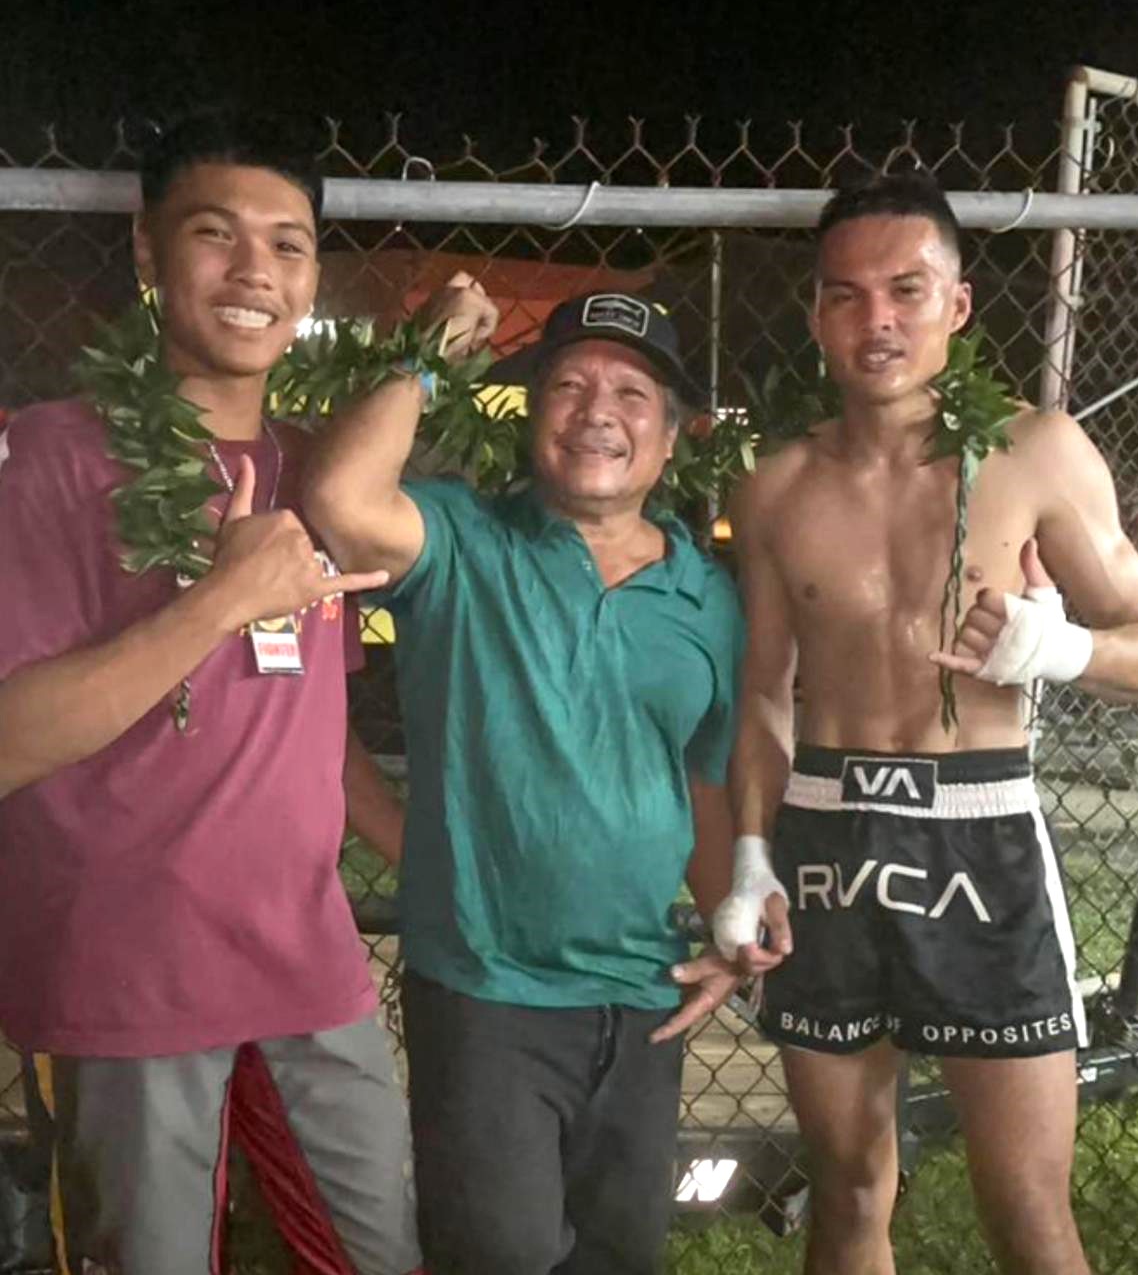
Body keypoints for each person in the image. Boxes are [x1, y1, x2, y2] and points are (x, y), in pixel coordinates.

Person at [711, 172, 1138, 1275]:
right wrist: (745, 854)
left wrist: (1057, 651)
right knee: (847, 1188)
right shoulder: (775, 482)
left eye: (906, 290)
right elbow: (764, 693)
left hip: (979, 839)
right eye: (846, 295)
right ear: (817, 313)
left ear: (957, 306)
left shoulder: (1036, 451)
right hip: (826, 841)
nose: (878, 321)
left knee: (1025, 1207)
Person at [0, 109, 421, 1275]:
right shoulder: (52, 456)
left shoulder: (310, 466)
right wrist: (211, 603)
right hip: (123, 978)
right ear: (147, 252)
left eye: (288, 245)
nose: (255, 272)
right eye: (216, 234)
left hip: (309, 967)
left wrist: (427, 858)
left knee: (375, 1253)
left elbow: (316, 735)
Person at [304, 285, 746, 1275]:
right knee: (496, 1253)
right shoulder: (461, 539)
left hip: (647, 992)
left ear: (670, 440)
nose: (598, 412)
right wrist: (426, 358)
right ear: (530, 412)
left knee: (619, 1253)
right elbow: (337, 499)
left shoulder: (706, 597)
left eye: (633, 395)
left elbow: (707, 780)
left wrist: (726, 925)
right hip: (487, 988)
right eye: (570, 386)